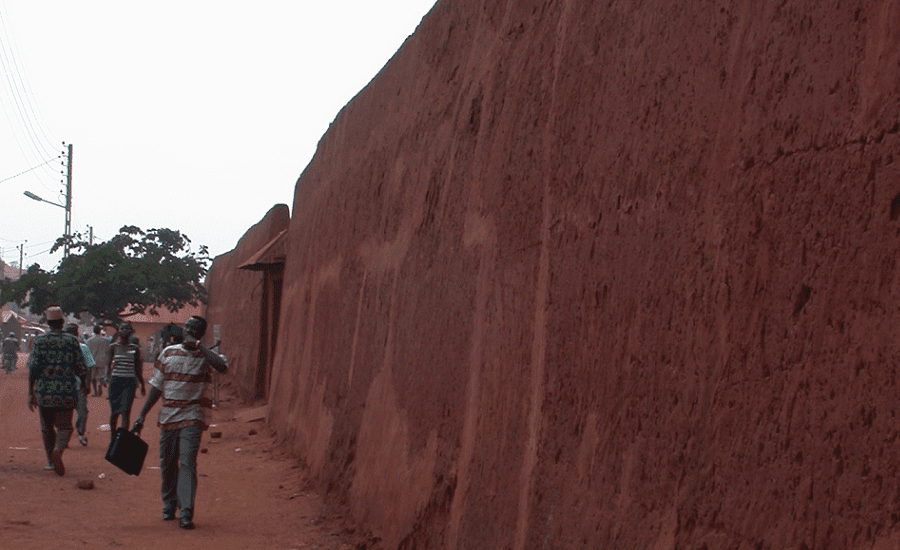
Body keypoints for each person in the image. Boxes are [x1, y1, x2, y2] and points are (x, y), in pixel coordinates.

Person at [133, 315, 228, 530]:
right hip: (168, 416)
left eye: (195, 328)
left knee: (187, 463)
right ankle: (169, 505)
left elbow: (222, 367)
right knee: (167, 463)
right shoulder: (168, 353)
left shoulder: (207, 356)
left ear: (200, 333)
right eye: (187, 327)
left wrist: (201, 347)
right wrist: (142, 415)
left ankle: (186, 512)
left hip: (192, 416)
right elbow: (156, 387)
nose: (189, 331)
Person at [27, 306, 88, 476]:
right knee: (65, 427)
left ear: (47, 323)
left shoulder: (40, 341)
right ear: (62, 322)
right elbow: (81, 366)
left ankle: (49, 461)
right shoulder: (71, 341)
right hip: (66, 392)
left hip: (44, 392)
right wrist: (85, 383)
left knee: (46, 428)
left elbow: (33, 368)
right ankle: (58, 450)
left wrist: (30, 392)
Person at [107, 322, 145, 439]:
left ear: (131, 331)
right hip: (115, 382)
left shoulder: (135, 349)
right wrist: (106, 377)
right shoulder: (113, 347)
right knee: (114, 412)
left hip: (129, 382)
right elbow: (108, 365)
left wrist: (142, 384)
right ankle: (113, 438)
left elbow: (137, 368)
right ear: (119, 331)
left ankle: (121, 440)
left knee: (126, 412)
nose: (124, 330)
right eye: (122, 328)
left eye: (127, 328)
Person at [65, 323, 95, 446]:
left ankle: (81, 433)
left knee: (82, 412)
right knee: (65, 414)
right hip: (64, 387)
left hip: (79, 386)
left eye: (72, 333)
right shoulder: (61, 348)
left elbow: (90, 366)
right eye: (68, 333)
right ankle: (64, 438)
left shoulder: (83, 348)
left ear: (76, 334)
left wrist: (88, 383)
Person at [86, 324, 111, 396]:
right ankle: (100, 386)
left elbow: (88, 352)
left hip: (93, 360)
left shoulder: (89, 341)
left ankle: (95, 391)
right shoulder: (105, 340)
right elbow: (107, 350)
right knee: (101, 376)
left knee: (93, 377)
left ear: (93, 331)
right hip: (102, 360)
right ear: (100, 331)